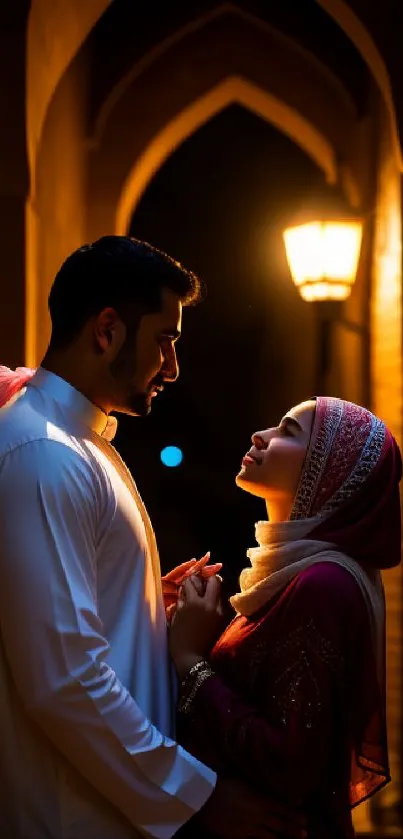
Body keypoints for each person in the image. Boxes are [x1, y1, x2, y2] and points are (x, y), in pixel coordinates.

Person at [0, 237, 305, 839]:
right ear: (107, 329)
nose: (172, 368)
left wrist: (139, 606)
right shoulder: (44, 453)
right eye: (165, 340)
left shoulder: (79, 444)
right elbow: (64, 680)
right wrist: (200, 796)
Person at [169, 396, 402, 839]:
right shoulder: (289, 580)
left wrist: (189, 660)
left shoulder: (322, 587)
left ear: (328, 473)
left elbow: (290, 763)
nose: (261, 435)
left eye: (288, 431)